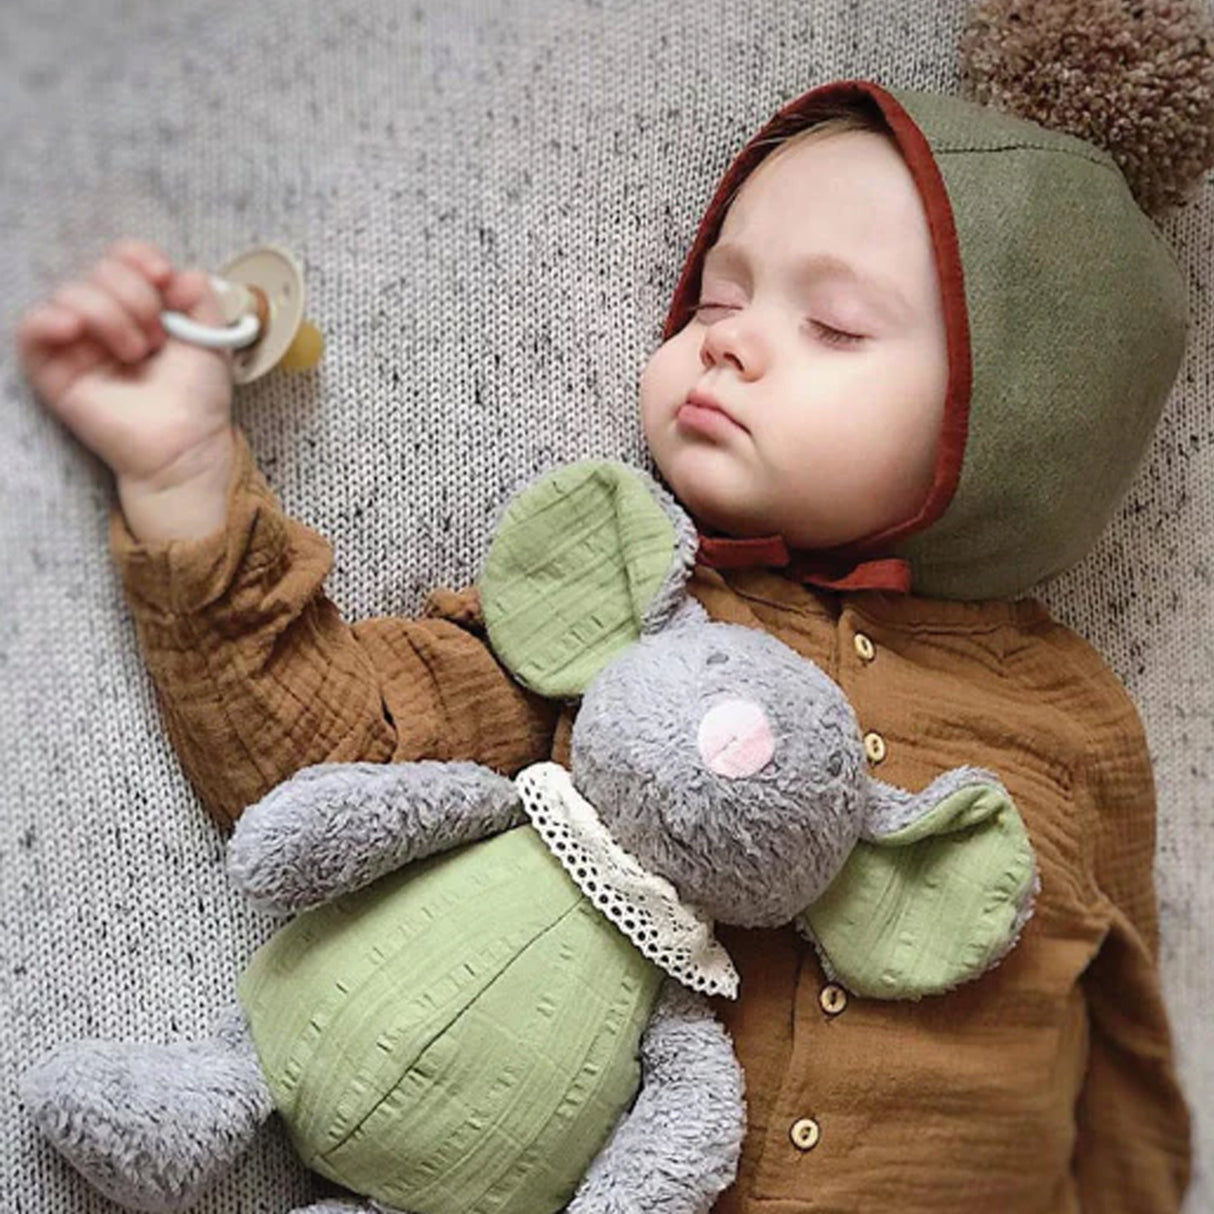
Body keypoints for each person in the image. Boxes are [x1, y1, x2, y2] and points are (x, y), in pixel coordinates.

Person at [14, 72, 1197, 1213]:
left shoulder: (1075, 718)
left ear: (1026, 422)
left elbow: (1124, 1064)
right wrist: (182, 477)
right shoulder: (626, 606)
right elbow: (335, 747)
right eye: (713, 301)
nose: (726, 342)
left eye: (833, 324)